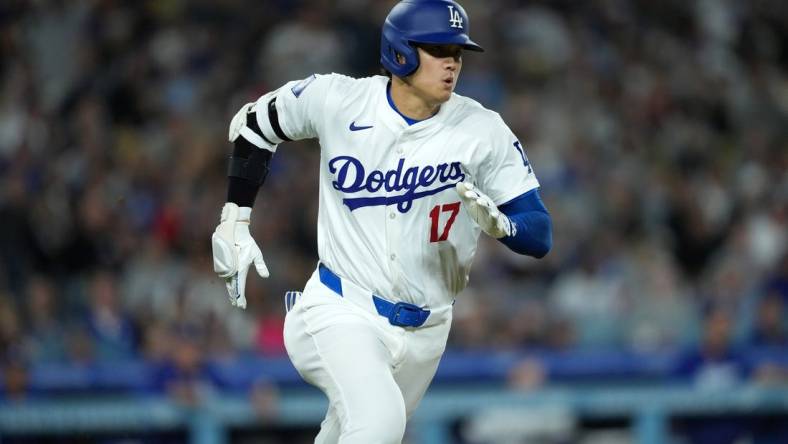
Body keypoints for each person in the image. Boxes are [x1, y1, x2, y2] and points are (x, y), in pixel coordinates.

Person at [211, 0, 552, 442]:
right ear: (400, 52)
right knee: (379, 423)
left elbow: (540, 232)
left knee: (347, 433)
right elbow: (254, 124)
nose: (452, 64)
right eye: (438, 51)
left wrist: (505, 228)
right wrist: (234, 220)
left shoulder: (482, 129)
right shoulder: (339, 99)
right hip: (340, 309)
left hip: (428, 331)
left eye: (457, 53)